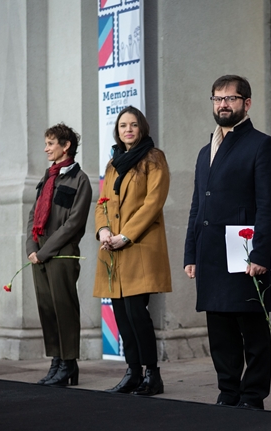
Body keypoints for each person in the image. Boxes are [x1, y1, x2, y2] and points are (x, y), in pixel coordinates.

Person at [184, 75, 271, 410]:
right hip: (210, 252)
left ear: (247, 103)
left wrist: (261, 254)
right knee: (220, 328)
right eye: (217, 98)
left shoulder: (261, 145)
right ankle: (228, 391)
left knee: (252, 328)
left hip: (243, 251)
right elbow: (198, 205)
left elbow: (269, 206)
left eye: (230, 98)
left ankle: (253, 396)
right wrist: (191, 252)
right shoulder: (203, 152)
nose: (223, 104)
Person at [94, 106, 171, 396]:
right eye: (123, 125)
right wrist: (103, 230)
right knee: (121, 314)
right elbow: (102, 202)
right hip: (112, 247)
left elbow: (154, 202)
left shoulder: (154, 158)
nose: (128, 129)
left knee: (137, 312)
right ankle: (132, 372)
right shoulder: (113, 163)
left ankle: (153, 374)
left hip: (138, 245)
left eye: (133, 125)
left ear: (142, 128)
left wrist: (125, 235)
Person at [26, 123, 92, 386]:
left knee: (64, 307)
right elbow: (33, 215)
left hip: (60, 253)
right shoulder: (47, 177)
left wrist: (45, 250)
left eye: (51, 143)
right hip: (39, 253)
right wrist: (32, 248)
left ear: (66, 146)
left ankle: (68, 362)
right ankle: (56, 360)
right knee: (47, 307)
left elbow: (74, 224)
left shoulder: (80, 179)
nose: (46, 149)